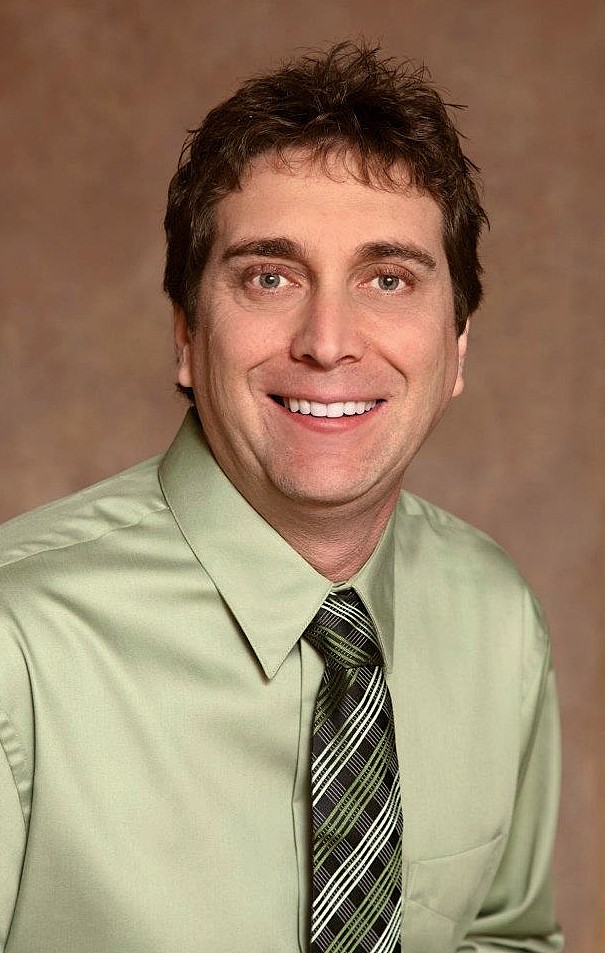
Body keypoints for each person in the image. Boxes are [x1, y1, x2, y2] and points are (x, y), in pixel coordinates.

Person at [0, 42, 563, 952]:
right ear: (187, 331)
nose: (328, 341)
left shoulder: (494, 616)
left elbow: (505, 935)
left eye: (389, 279)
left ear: (456, 345)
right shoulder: (15, 643)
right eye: (270, 276)